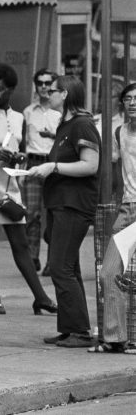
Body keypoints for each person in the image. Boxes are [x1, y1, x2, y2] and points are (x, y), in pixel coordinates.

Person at [0, 63, 57, 316]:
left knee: (21, 244)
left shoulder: (19, 117)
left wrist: (20, 158)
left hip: (11, 187)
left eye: (0, 89)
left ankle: (41, 297)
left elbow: (21, 147)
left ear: (11, 89)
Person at [29, 75, 100, 348]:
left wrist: (53, 167)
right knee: (68, 267)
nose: (48, 93)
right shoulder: (66, 125)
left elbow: (90, 165)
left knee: (60, 267)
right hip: (60, 203)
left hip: (74, 204)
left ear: (66, 94)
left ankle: (79, 331)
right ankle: (72, 328)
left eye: (54, 89)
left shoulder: (82, 124)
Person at [93, 82, 136, 353]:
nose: (132, 103)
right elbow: (106, 163)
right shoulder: (119, 131)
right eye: (128, 99)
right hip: (126, 210)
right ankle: (114, 338)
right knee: (109, 272)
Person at [22, 69, 61, 273]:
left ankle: (52, 261)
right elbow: (23, 142)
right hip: (33, 164)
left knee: (54, 213)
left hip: (54, 165)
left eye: (48, 83)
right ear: (35, 85)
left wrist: (53, 135)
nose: (44, 87)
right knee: (31, 213)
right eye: (40, 83)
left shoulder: (61, 112)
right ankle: (32, 258)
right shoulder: (28, 112)